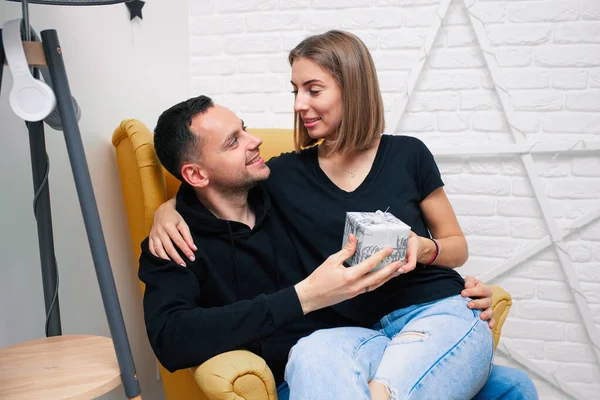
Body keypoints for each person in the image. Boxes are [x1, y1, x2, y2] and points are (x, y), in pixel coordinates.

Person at [149, 31, 538, 400]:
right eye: (235, 141)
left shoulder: (396, 157)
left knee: (511, 384)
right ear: (195, 175)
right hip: (345, 337)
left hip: (428, 312)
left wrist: (423, 250)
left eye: (312, 89)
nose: (257, 142)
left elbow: (454, 245)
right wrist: (167, 211)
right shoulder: (281, 178)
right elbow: (172, 334)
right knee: (314, 354)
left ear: (351, 88)